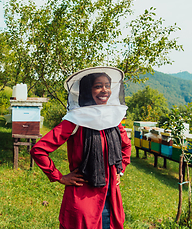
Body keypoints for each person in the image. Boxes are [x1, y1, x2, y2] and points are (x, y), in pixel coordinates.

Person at [30, 67, 132, 229]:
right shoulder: (75, 120)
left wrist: (120, 170)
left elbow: (126, 145)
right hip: (84, 201)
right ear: (87, 90)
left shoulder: (113, 118)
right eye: (98, 86)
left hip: (111, 199)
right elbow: (39, 150)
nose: (104, 90)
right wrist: (60, 177)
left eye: (107, 85)